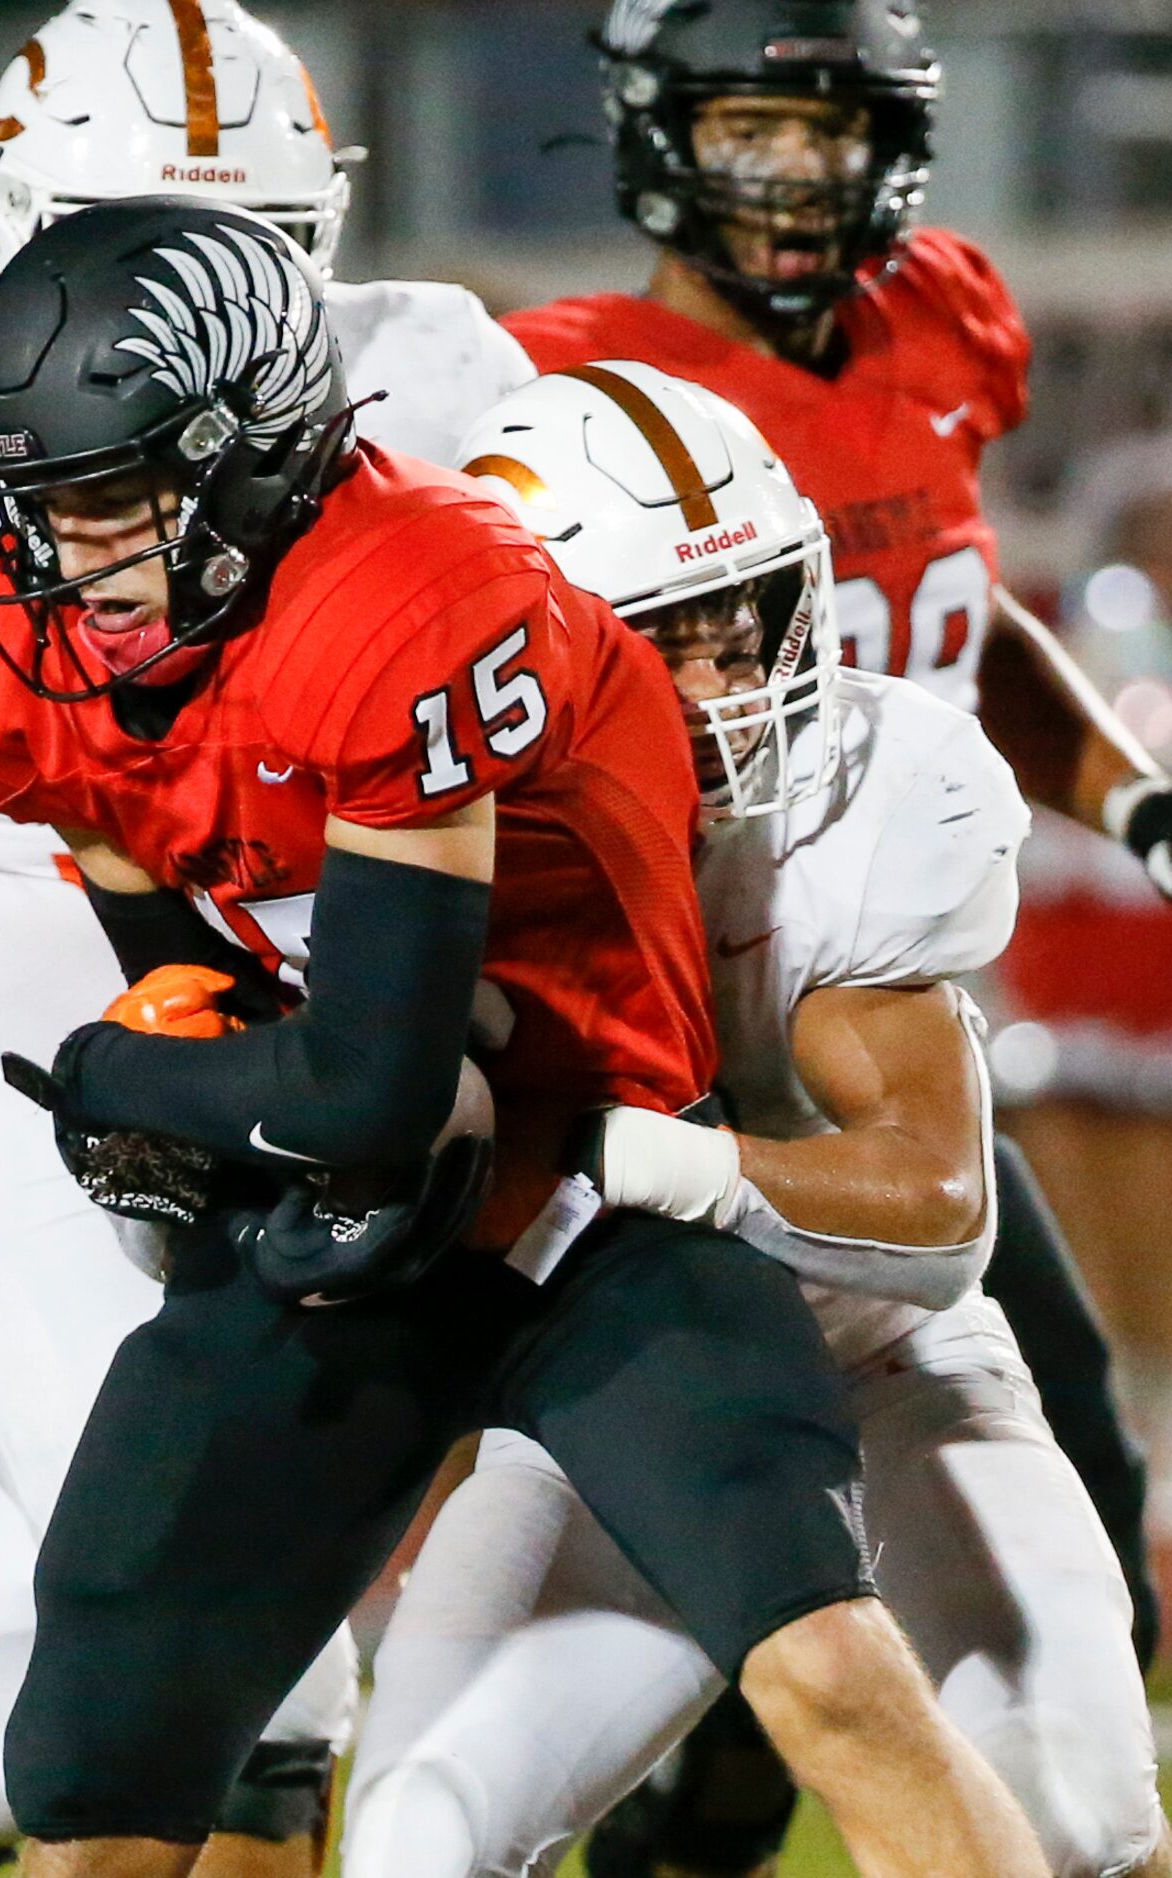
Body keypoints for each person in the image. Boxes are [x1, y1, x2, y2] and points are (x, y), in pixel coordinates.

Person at [0, 192, 1053, 1878]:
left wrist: (115, 1080)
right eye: (40, 504)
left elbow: (372, 1084)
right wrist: (194, 1042)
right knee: (97, 1792)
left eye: (106, 499)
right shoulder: (10, 658)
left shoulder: (414, 597)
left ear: (251, 456)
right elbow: (184, 937)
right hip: (335, 1233)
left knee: (832, 1674)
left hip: (597, 1196)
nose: (61, 560)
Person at [0, 4, 531, 1874]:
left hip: (289, 1113)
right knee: (237, 1630)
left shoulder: (438, 385)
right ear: (7, 220)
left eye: (246, 252)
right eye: (121, 239)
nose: (176, 308)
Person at [338, 361, 1170, 1878]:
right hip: (612, 1393)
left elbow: (935, 1207)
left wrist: (660, 1158)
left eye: (748, 622)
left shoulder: (871, 789)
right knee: (415, 1833)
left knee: (1074, 1823)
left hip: (883, 1361)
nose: (733, 686)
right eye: (671, 645)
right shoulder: (426, 817)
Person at [497, 5, 1165, 1867]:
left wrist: (1134, 801)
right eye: (753, 131)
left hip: (877, 1017)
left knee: (1063, 1505)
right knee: (689, 1576)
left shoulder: (937, 318)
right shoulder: (547, 396)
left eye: (832, 129)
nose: (798, 179)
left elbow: (962, 611)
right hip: (669, 1041)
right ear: (653, 130)